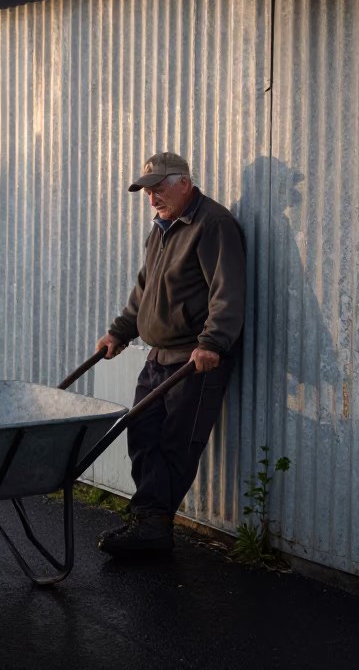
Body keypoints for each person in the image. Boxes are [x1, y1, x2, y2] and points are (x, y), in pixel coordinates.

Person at [94, 152, 247, 556]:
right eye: (147, 190)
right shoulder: (162, 229)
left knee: (175, 444)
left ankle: (152, 526)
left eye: (158, 188)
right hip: (158, 355)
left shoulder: (212, 225)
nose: (152, 198)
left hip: (194, 359)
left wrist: (213, 342)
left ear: (184, 183)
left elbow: (226, 290)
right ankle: (149, 521)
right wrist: (120, 332)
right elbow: (145, 289)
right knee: (142, 434)